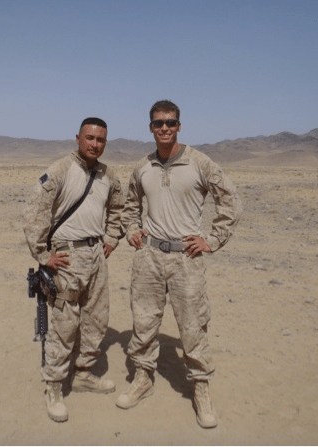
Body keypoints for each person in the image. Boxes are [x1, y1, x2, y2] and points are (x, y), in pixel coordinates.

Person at [117, 100, 242, 429]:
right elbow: (129, 203)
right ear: (150, 128)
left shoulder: (199, 162)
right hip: (149, 257)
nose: (164, 128)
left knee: (192, 326)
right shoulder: (142, 166)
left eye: (170, 122)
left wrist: (212, 240)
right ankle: (143, 378)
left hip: (187, 259)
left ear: (179, 125)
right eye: (158, 123)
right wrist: (132, 230)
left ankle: (200, 389)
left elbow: (230, 200)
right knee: (143, 322)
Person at [23, 117, 125, 423]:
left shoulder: (108, 175)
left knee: (96, 317)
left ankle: (83, 374)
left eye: (101, 140)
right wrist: (43, 255)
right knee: (65, 321)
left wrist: (111, 236)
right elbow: (34, 213)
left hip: (96, 254)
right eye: (90, 138)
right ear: (78, 138)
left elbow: (118, 207)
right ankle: (53, 385)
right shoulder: (60, 170)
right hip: (67, 256)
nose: (95, 144)